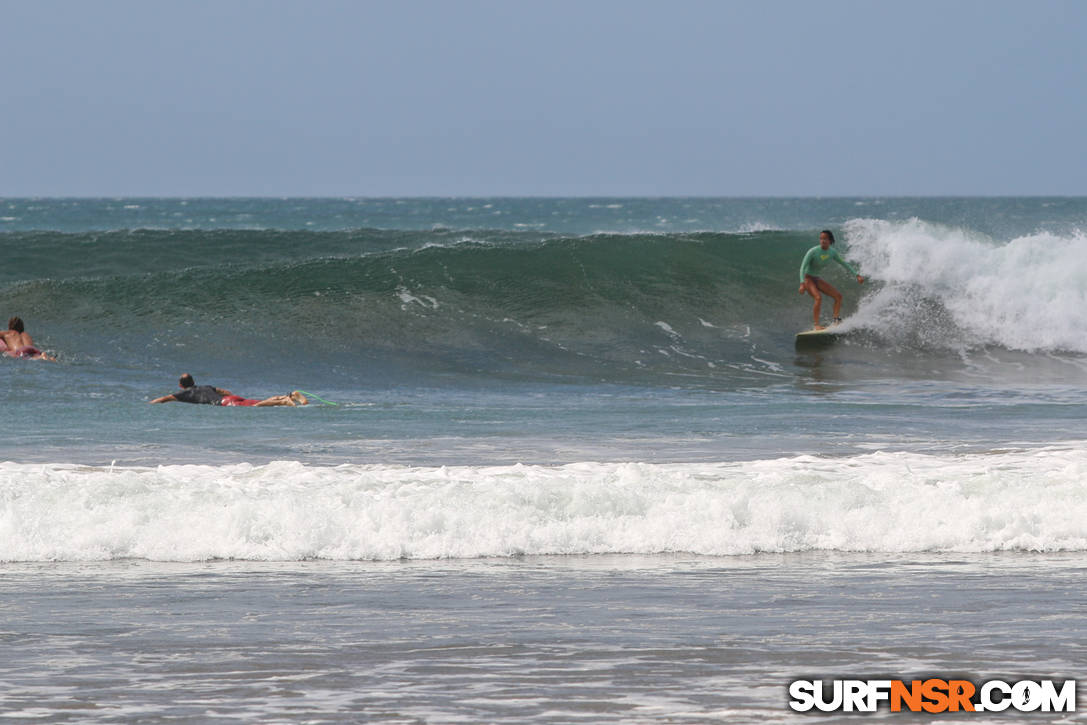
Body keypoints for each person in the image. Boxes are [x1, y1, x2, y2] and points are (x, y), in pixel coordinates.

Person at [798, 230, 864, 330]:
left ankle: (836, 320)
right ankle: (816, 325)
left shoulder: (832, 252)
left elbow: (844, 264)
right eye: (821, 238)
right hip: (808, 279)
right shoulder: (813, 251)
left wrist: (857, 275)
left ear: (830, 240)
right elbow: (802, 268)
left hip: (816, 278)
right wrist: (802, 283)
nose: (822, 241)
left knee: (838, 296)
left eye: (825, 239)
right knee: (818, 298)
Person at [150, 373, 308, 406]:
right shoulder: (205, 386)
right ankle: (290, 395)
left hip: (226, 403)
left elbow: (164, 399)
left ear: (180, 385)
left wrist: (150, 403)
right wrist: (232, 398)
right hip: (233, 398)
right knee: (260, 401)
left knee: (256, 406)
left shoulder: (183, 393)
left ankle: (284, 402)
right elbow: (225, 391)